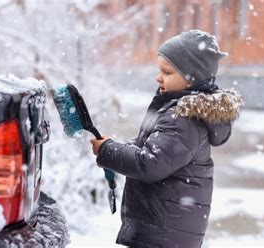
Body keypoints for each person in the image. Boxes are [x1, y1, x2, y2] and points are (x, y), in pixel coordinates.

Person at [90, 29, 243, 248]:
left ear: (191, 80)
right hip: (167, 231)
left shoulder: (183, 118)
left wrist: (108, 151)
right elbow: (152, 148)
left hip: (163, 234)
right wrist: (114, 147)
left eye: (167, 72)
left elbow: (149, 164)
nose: (158, 77)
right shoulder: (177, 111)